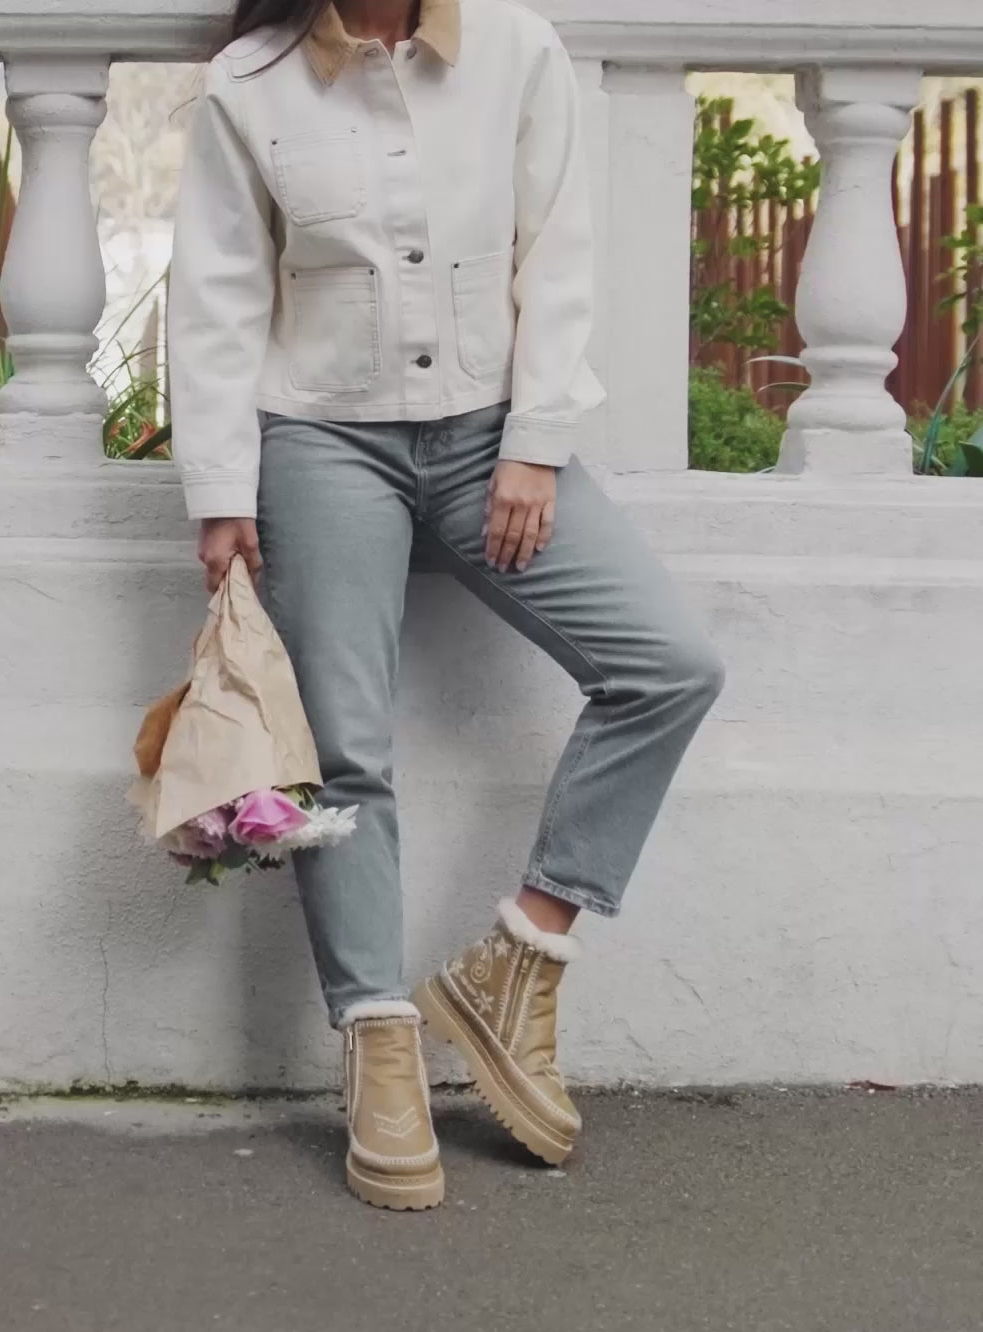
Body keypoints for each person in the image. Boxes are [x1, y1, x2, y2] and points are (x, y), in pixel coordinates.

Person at [168, 0, 724, 1211]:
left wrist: (535, 442)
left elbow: (557, 251)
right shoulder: (248, 83)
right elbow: (215, 293)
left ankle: (516, 963)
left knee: (669, 666)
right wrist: (220, 490)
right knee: (346, 750)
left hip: (489, 445)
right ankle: (377, 1036)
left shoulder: (519, 51)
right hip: (320, 443)